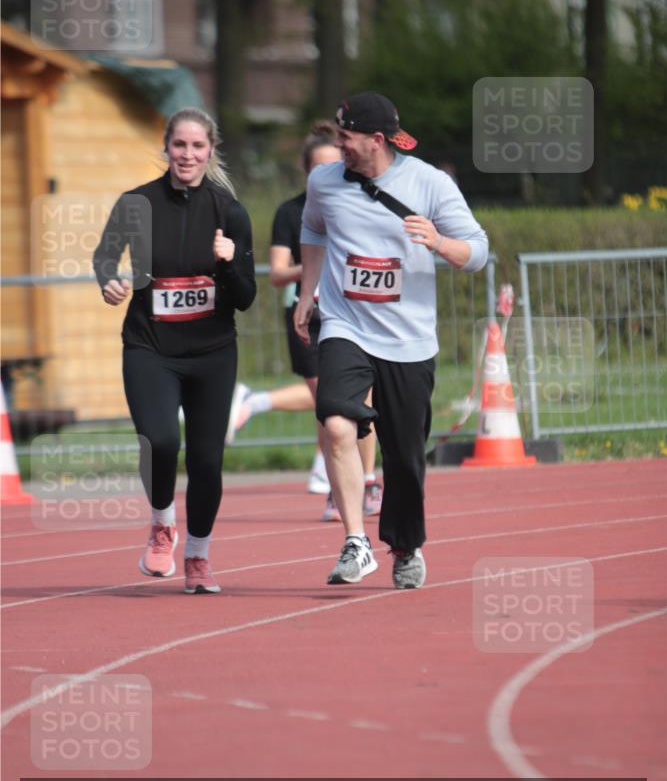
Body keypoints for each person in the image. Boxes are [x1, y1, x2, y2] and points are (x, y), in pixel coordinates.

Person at [294, 92, 488, 587]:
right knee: (336, 421)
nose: (337, 144)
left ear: (376, 140)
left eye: (345, 136)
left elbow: (479, 252)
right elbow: (313, 230)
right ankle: (355, 542)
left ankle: (405, 545)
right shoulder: (324, 182)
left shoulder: (430, 183)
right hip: (345, 325)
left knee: (405, 458)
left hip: (408, 340)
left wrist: (440, 242)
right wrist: (307, 292)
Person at [94, 106, 255, 594]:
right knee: (160, 441)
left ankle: (199, 557)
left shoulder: (229, 211)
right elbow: (105, 255)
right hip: (150, 346)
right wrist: (109, 281)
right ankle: (163, 522)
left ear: (211, 151)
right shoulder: (135, 203)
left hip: (212, 352)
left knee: (207, 460)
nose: (187, 154)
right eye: (179, 145)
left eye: (197, 146)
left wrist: (228, 264)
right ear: (166, 148)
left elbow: (245, 297)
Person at [228, 120, 382, 519]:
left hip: (353, 309)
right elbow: (278, 273)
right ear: (307, 170)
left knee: (361, 400)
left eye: (336, 162)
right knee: (328, 404)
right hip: (306, 311)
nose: (330, 173)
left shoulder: (363, 199)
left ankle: (367, 480)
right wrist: (317, 260)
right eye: (319, 167)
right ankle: (338, 483)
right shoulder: (291, 211)